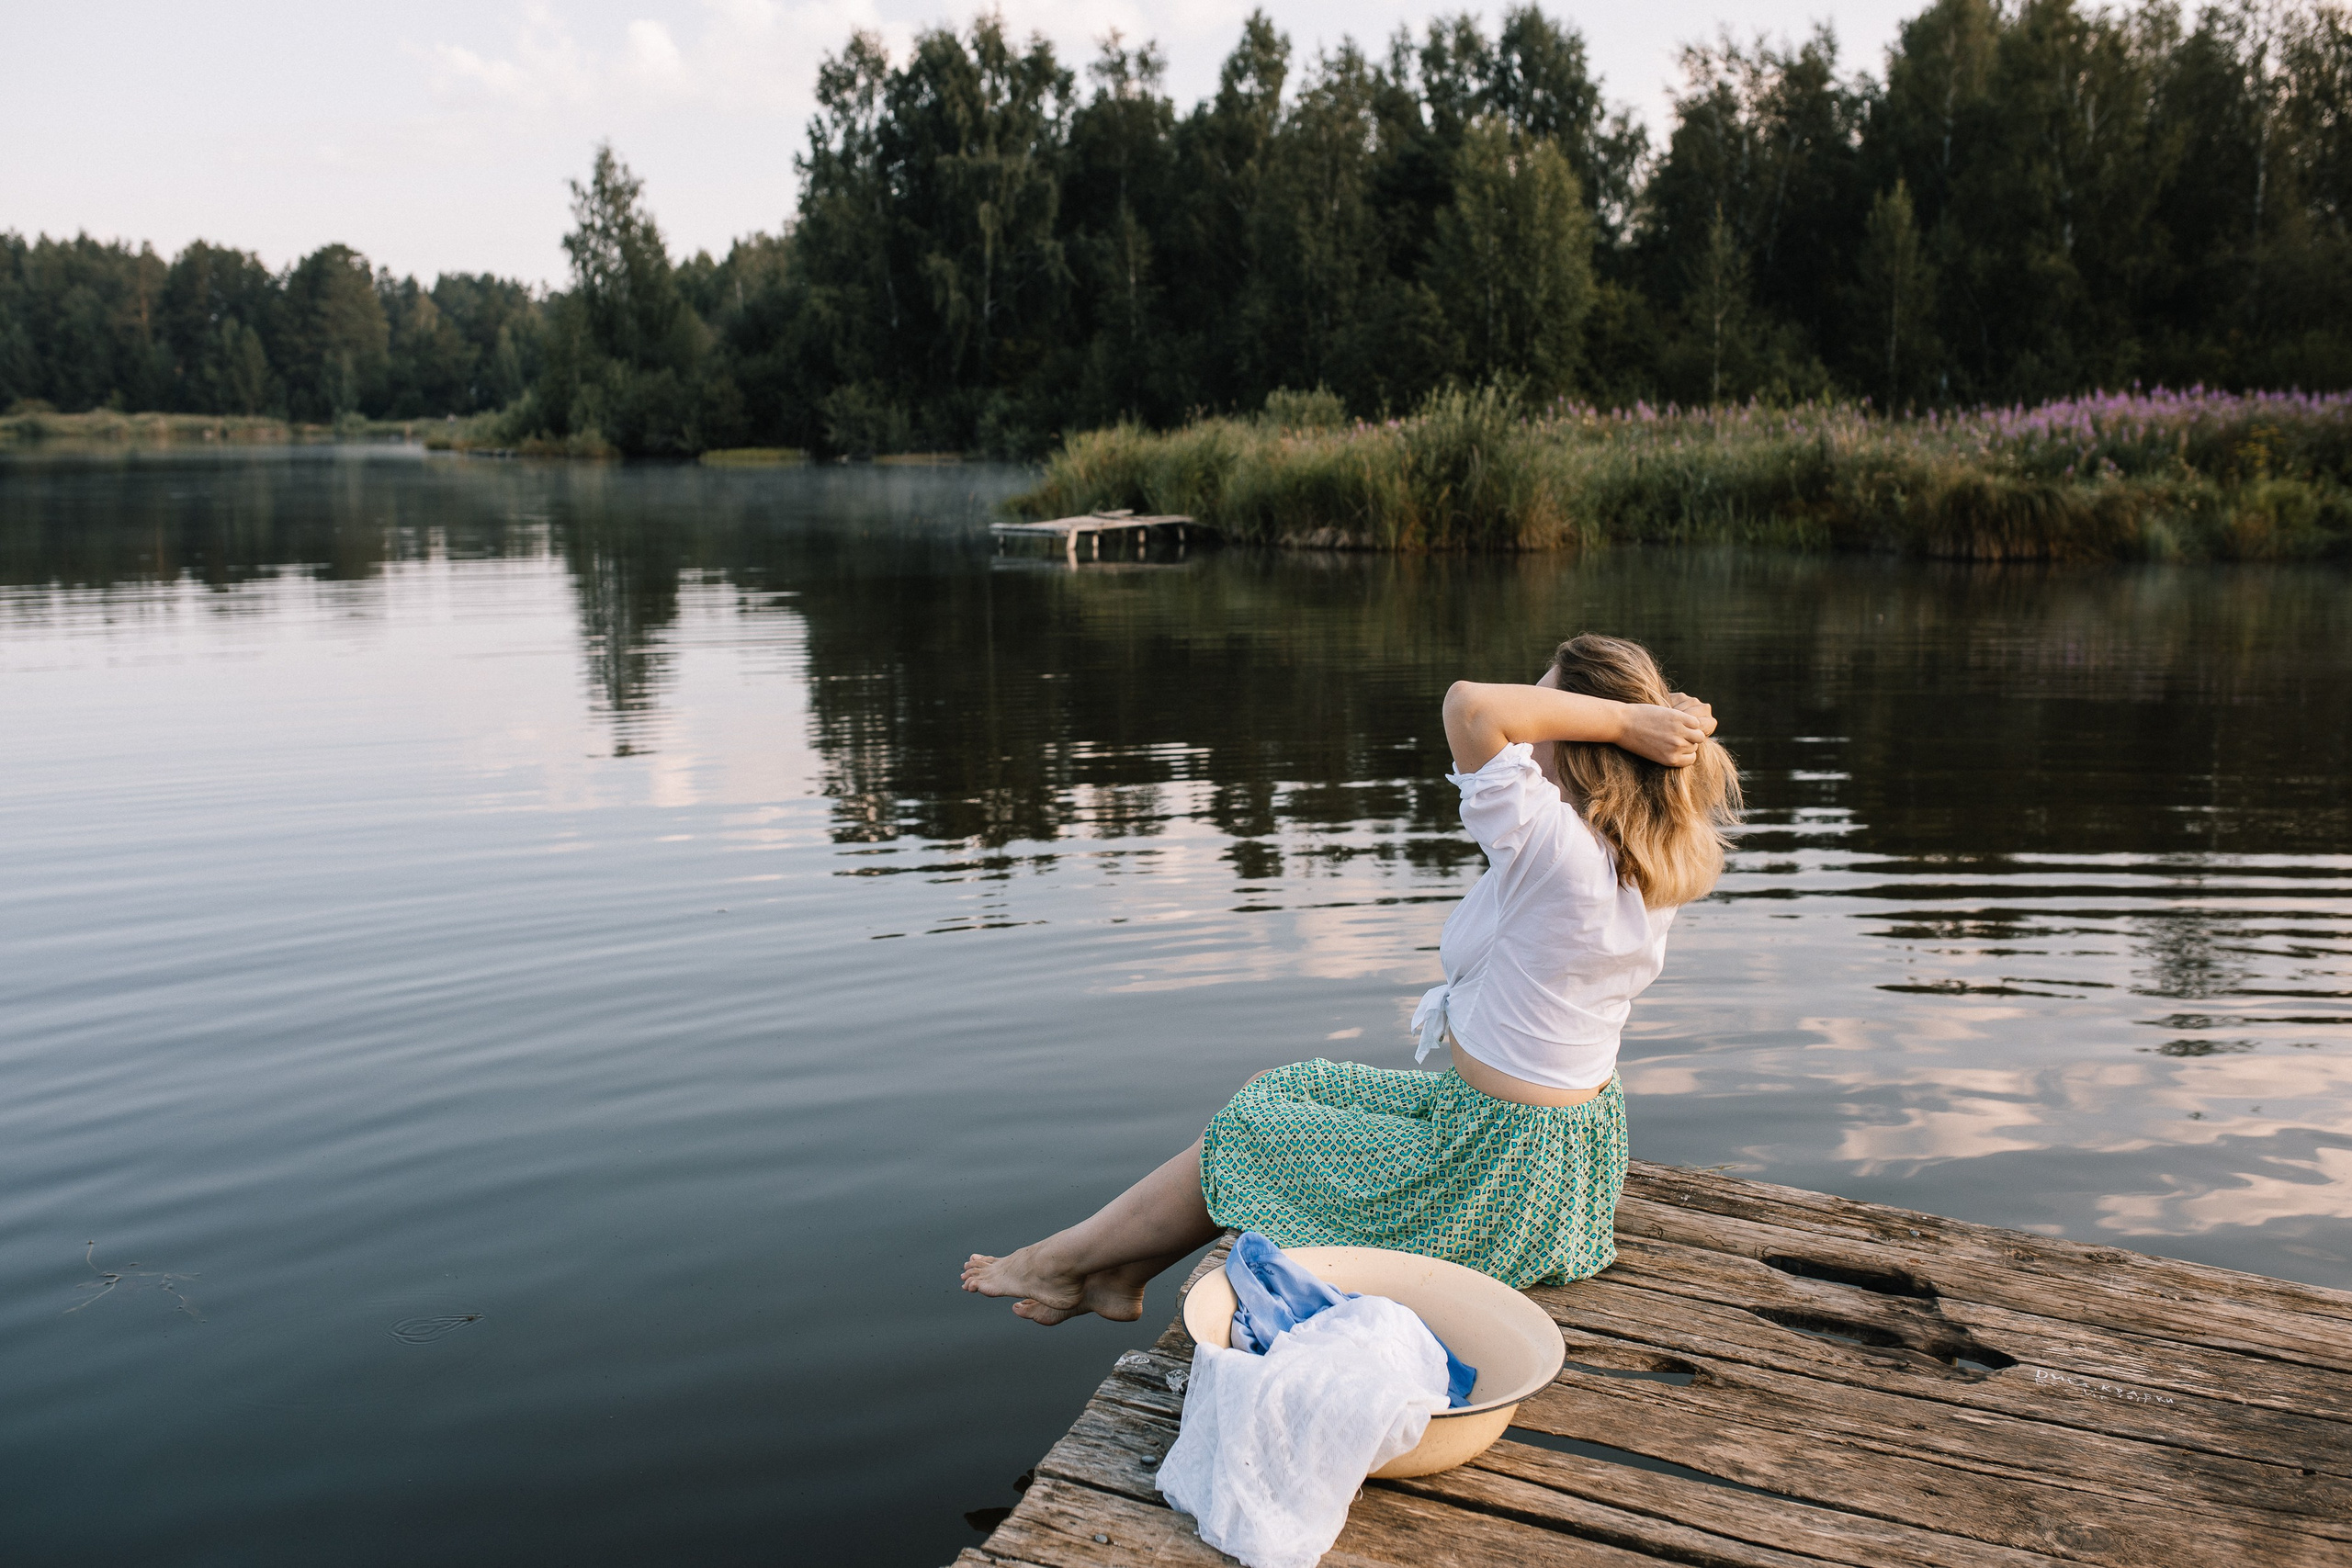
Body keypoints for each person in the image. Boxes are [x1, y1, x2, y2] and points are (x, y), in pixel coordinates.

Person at [961, 633, 1743, 1325]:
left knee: (1252, 1132)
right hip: (1543, 1153)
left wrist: (1624, 717)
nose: (1531, 721)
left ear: (1586, 737)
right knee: (1286, 1087)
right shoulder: (1639, 853)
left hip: (1491, 1175)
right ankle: (1121, 1271)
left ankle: (1064, 1260)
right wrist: (1636, 720)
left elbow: (1469, 706)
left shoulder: (1558, 854)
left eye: (1549, 710)